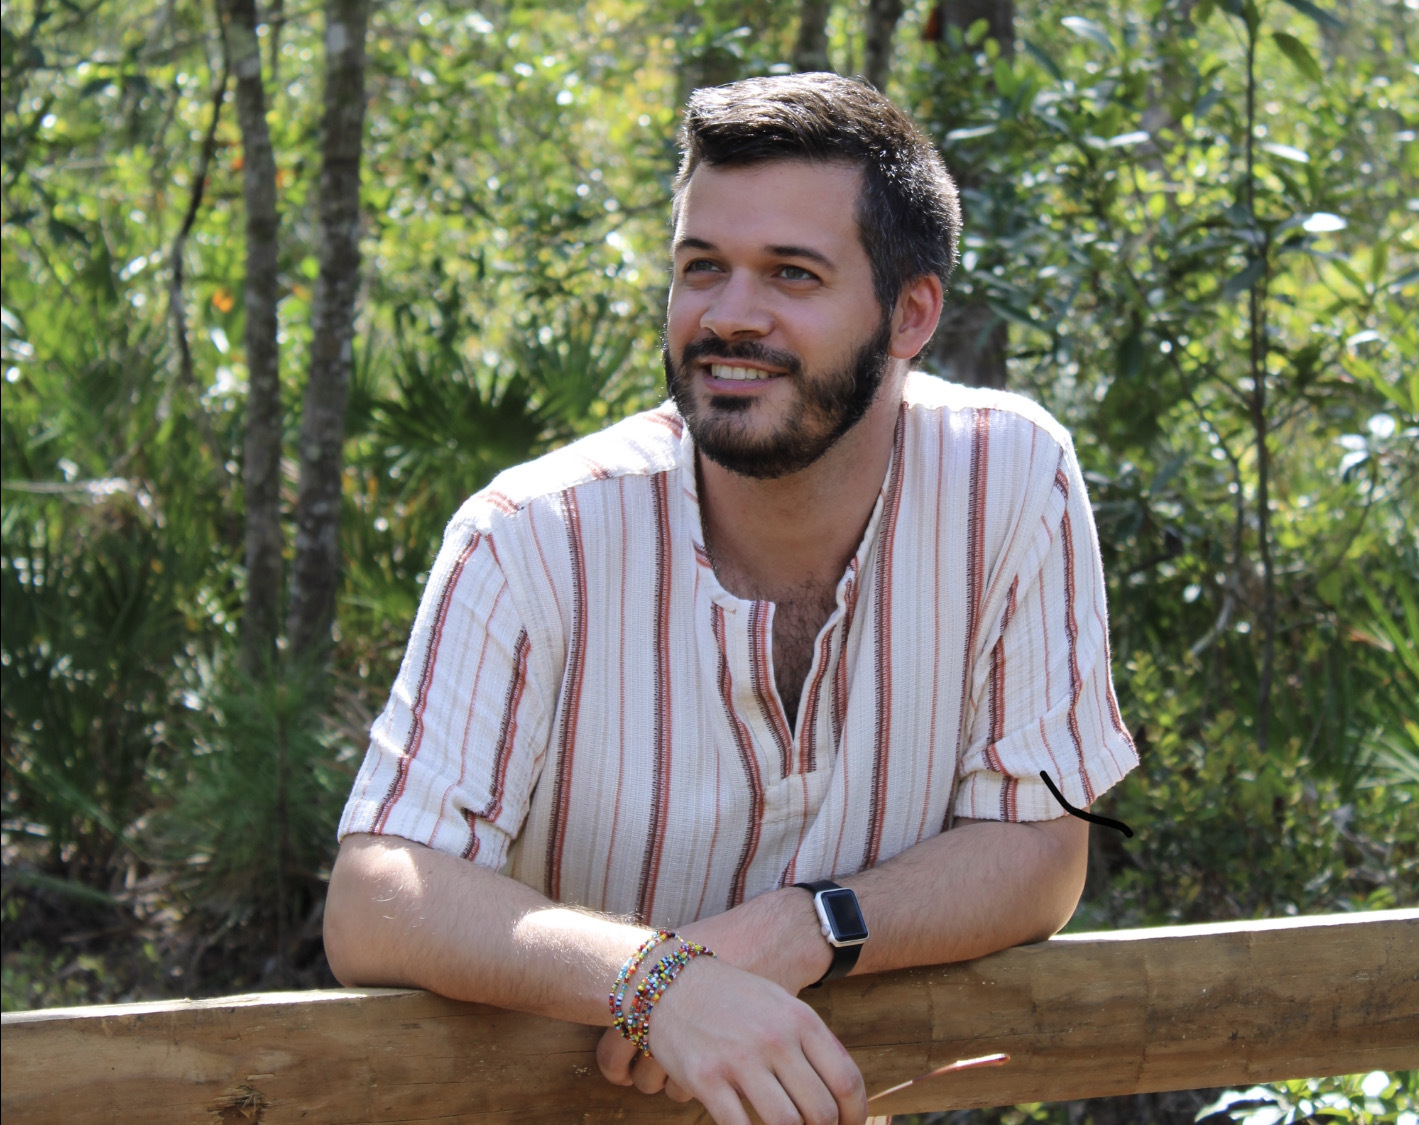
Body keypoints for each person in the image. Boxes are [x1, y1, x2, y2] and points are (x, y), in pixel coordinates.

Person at [324, 72, 1137, 1125]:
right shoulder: (532, 535)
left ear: (911, 313)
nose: (729, 316)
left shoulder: (1011, 482)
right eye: (702, 268)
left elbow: (1038, 849)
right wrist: (661, 982)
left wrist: (807, 928)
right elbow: (379, 896)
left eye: (792, 275)